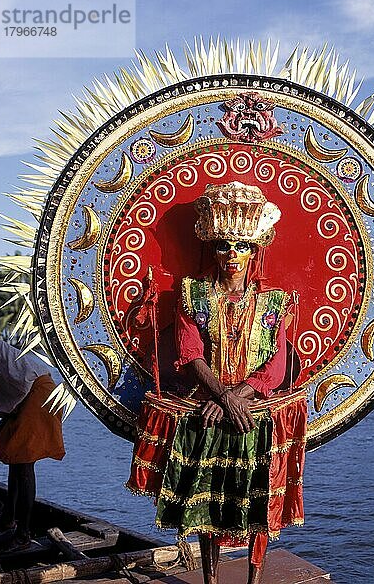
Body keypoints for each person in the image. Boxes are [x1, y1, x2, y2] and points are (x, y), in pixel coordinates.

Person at [127, 182, 307, 584]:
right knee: (206, 505)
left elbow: (276, 364)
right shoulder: (193, 294)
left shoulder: (275, 300)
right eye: (224, 246)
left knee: (259, 503)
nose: (232, 255)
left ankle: (253, 579)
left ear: (254, 249)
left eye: (241, 246)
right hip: (209, 404)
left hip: (255, 411)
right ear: (213, 246)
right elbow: (188, 352)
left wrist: (236, 397)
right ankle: (210, 580)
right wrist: (223, 397)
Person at [0, 339, 65, 551]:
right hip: (29, 398)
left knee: (24, 467)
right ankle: (8, 519)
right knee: (15, 459)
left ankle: (22, 536)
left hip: (40, 394)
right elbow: (11, 413)